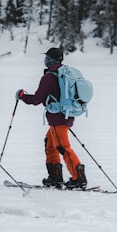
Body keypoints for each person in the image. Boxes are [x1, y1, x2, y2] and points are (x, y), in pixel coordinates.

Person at [17, 47, 87, 189]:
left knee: (63, 147)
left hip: (57, 119)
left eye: (47, 57)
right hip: (67, 116)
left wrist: (22, 96)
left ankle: (78, 178)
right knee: (50, 143)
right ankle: (55, 177)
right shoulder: (66, 74)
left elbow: (37, 99)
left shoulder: (49, 77)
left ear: (50, 60)